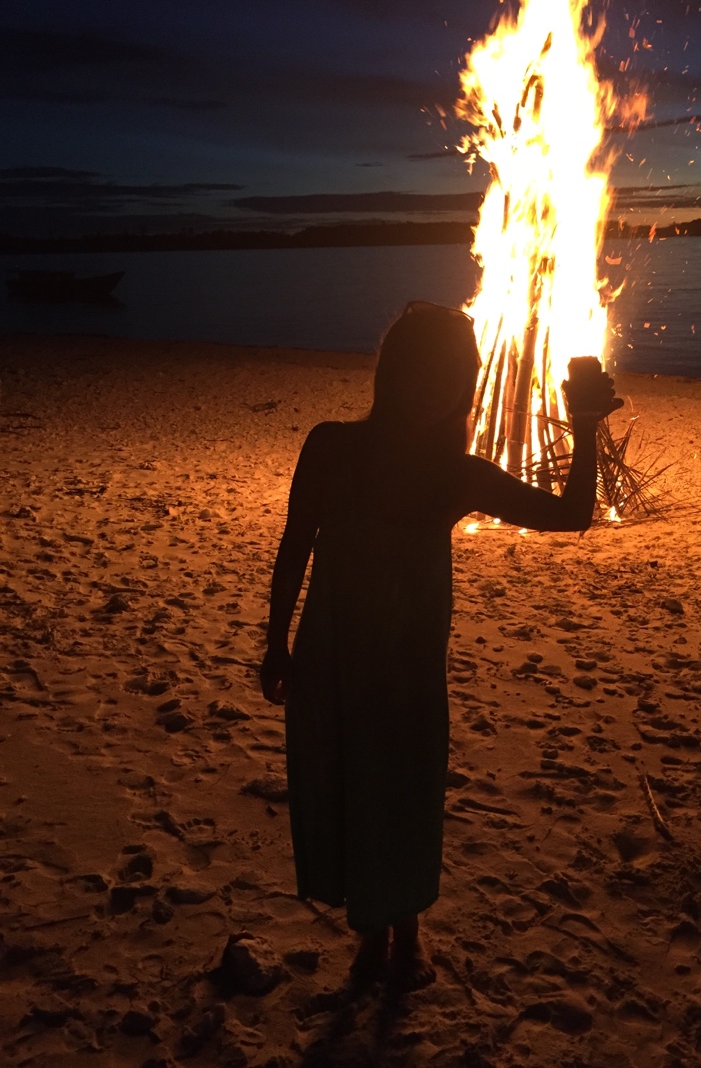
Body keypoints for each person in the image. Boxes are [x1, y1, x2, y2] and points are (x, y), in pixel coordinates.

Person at [259, 300, 623, 992]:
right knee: (346, 786)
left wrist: (582, 428)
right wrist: (276, 644)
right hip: (331, 654)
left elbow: (570, 516)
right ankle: (369, 932)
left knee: (405, 792)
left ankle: (407, 933)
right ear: (393, 373)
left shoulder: (459, 475)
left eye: (454, 375)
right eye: (424, 371)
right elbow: (294, 546)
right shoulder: (331, 446)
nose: (437, 388)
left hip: (408, 666)